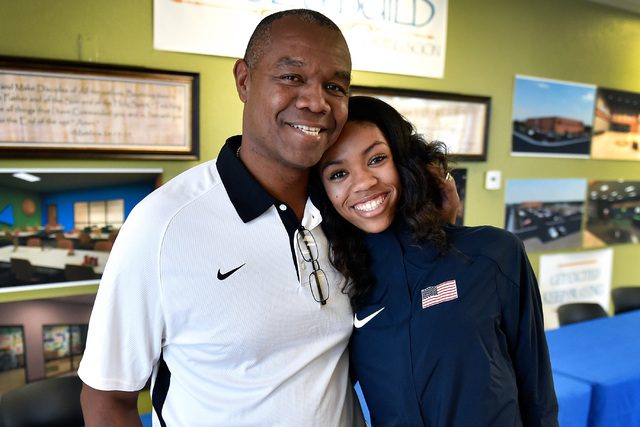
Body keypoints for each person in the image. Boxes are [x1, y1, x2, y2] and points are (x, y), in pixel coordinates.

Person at [78, 9, 364, 426]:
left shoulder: (347, 212)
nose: (316, 101)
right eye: (291, 77)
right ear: (244, 80)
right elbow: (106, 399)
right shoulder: (162, 225)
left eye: (334, 86)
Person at [316, 96, 559, 426]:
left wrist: (436, 229)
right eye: (338, 173)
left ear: (404, 161)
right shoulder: (338, 283)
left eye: (376, 159)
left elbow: (538, 394)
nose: (363, 183)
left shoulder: (492, 254)